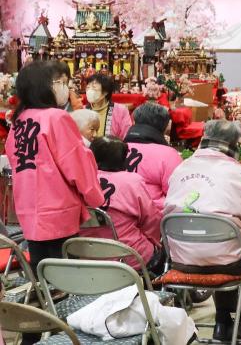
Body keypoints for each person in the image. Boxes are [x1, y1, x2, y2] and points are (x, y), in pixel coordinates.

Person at [5, 61, 104, 345]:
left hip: (29, 209)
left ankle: (33, 334)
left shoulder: (20, 119)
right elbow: (77, 165)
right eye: (61, 82)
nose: (66, 88)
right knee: (64, 285)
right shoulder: (56, 118)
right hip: (58, 210)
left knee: (40, 279)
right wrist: (96, 197)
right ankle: (60, 336)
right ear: (45, 86)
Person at [163, 120, 241, 345]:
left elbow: (167, 209)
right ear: (234, 144)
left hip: (181, 260)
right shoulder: (236, 172)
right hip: (225, 261)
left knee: (225, 250)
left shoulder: (182, 167)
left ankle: (223, 322)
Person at [90, 136, 164, 272]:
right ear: (124, 159)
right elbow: (151, 220)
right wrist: (153, 241)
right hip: (128, 256)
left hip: (84, 254)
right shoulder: (132, 181)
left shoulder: (82, 179)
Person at [124, 103, 182, 213]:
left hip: (117, 212)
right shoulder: (168, 154)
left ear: (134, 122)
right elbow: (175, 194)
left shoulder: (116, 147)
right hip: (152, 216)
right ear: (165, 127)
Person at [85, 72, 132, 138]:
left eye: (94, 88)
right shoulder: (82, 110)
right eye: (88, 87)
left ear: (105, 92)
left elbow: (127, 136)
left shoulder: (120, 110)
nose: (89, 91)